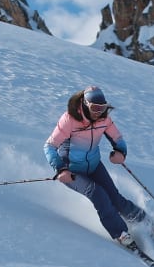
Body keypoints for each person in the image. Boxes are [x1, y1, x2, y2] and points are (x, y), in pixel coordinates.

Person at [44, 85, 147, 251]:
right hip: (71, 170)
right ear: (85, 104)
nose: (98, 112)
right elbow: (49, 146)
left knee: (115, 197)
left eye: (102, 107)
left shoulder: (104, 119)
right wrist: (61, 169)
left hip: (94, 165)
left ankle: (145, 222)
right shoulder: (70, 119)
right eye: (94, 108)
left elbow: (118, 138)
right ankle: (121, 233)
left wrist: (121, 151)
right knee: (97, 193)